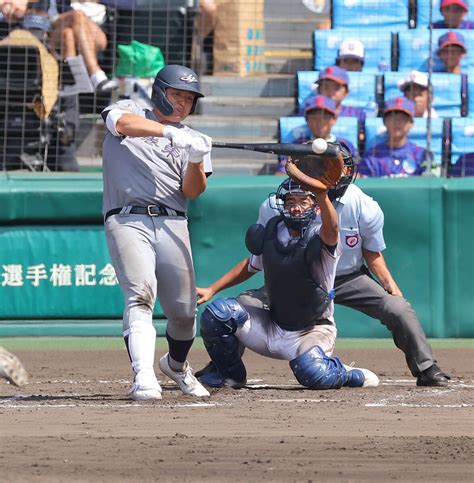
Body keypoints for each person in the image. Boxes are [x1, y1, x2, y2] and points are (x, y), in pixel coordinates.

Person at [197, 146, 450, 388]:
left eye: (328, 164)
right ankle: (224, 367)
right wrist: (213, 288)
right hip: (296, 277)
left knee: (397, 307)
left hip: (348, 276)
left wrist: (389, 284)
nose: (322, 168)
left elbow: (372, 253)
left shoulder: (362, 205)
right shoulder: (278, 205)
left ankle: (426, 368)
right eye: (316, 163)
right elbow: (258, 259)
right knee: (240, 305)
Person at [195, 167, 380, 390]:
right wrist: (212, 289)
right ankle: (230, 375)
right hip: (272, 324)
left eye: (303, 201)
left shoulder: (322, 235)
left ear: (316, 207)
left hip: (312, 329)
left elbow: (331, 229)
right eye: (291, 201)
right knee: (219, 315)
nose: (296, 207)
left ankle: (349, 374)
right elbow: (251, 265)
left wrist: (322, 195)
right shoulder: (274, 231)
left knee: (314, 373)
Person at [101, 64, 213, 401]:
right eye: (177, 95)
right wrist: (166, 133)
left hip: (173, 221)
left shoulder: (190, 136)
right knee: (141, 293)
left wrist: (195, 158)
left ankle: (176, 365)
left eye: (189, 99)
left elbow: (193, 191)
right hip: (127, 217)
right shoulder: (131, 110)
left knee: (183, 312)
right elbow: (120, 124)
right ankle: (143, 375)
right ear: (159, 92)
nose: (182, 104)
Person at [275, 94, 357, 175]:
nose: (320, 122)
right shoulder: (297, 144)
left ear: (334, 119)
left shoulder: (345, 145)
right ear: (307, 120)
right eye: (314, 118)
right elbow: (281, 173)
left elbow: (358, 175)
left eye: (325, 117)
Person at [47, 0, 117, 93]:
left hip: (90, 27)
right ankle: (96, 74)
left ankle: (76, 84)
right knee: (78, 15)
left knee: (68, 34)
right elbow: (62, 8)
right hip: (55, 24)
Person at [360, 97, 427, 177]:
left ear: (411, 124)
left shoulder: (421, 154)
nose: (396, 122)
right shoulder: (372, 155)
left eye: (402, 118)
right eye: (392, 117)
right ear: (384, 122)